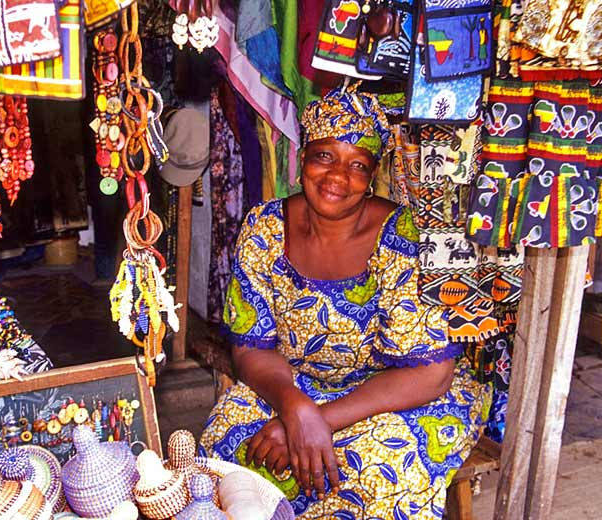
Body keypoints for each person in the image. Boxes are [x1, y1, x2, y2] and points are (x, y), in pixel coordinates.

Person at [199, 86, 490, 519]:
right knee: (226, 438)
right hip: (300, 382)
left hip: (398, 396)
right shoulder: (264, 228)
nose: (338, 177)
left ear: (372, 176)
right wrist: (293, 405)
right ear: (302, 160)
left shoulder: (402, 238)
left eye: (358, 165)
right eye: (325, 156)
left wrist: (320, 421)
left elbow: (430, 374)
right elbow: (252, 347)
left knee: (376, 468)